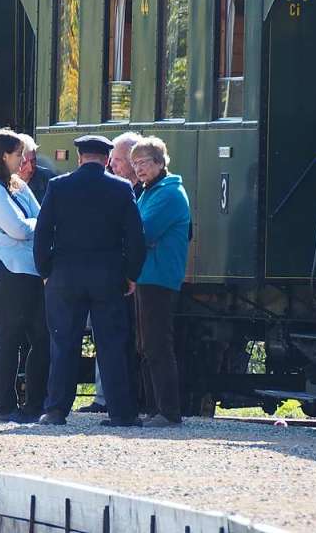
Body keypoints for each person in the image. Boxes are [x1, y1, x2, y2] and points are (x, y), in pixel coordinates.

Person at [33, 135, 146, 428]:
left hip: (64, 276)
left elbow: (43, 233)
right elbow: (135, 237)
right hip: (108, 276)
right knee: (111, 343)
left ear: (80, 157)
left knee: (64, 341)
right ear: (107, 159)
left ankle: (57, 409)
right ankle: (121, 413)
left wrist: (45, 271)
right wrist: (131, 274)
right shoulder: (121, 188)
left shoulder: (59, 187)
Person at [0, 129, 47, 423]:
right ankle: (5, 405)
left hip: (28, 268)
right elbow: (20, 228)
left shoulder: (15, 185)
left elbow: (37, 217)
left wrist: (29, 225)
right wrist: (33, 225)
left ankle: (35, 403)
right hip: (7, 270)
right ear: (4, 155)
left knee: (41, 337)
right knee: (10, 338)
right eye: (19, 155)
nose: (23, 161)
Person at [78, 131, 144, 416]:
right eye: (112, 160)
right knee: (109, 337)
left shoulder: (139, 190)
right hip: (118, 278)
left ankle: (123, 398)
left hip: (134, 277)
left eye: (118, 160)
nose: (112, 166)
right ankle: (106, 399)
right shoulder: (117, 189)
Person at [130, 137, 191, 427]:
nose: (138, 169)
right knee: (146, 345)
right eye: (135, 164)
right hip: (147, 274)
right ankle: (154, 409)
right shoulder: (149, 192)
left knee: (157, 344)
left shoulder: (169, 194)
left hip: (159, 276)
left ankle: (168, 411)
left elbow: (143, 231)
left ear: (160, 162)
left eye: (144, 162)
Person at [18, 133, 57, 203]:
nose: (30, 169)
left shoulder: (50, 180)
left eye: (33, 161)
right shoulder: (2, 181)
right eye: (24, 163)